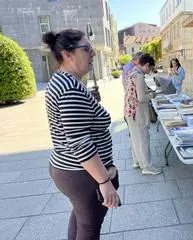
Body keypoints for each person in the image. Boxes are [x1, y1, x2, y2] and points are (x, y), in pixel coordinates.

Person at [43, 29, 120, 240]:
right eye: (87, 49)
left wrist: (89, 102)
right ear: (67, 54)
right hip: (81, 173)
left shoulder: (63, 81)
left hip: (70, 169)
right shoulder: (70, 88)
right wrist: (104, 182)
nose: (93, 54)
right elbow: (80, 142)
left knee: (82, 222)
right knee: (88, 229)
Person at [124, 53, 162, 175]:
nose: (148, 72)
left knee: (135, 138)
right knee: (143, 138)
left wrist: (147, 91)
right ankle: (147, 167)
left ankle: (137, 162)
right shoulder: (139, 76)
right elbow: (141, 98)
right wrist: (152, 95)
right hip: (137, 112)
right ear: (146, 64)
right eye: (149, 68)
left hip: (130, 111)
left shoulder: (132, 72)